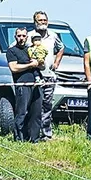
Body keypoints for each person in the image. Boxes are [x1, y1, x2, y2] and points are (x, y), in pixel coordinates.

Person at [30, 12, 64, 141]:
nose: (43, 22)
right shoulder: (29, 36)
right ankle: (33, 132)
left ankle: (46, 134)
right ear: (35, 22)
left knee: (47, 105)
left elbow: (61, 48)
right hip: (34, 75)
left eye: (45, 20)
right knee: (34, 105)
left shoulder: (53, 36)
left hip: (49, 75)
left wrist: (56, 62)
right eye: (40, 20)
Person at [6, 27, 43, 142]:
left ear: (27, 37)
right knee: (21, 113)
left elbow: (42, 66)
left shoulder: (31, 50)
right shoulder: (12, 51)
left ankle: (34, 139)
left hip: (36, 85)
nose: (21, 38)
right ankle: (19, 138)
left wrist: (39, 63)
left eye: (23, 36)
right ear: (15, 37)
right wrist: (30, 65)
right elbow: (14, 67)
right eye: (19, 36)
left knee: (36, 113)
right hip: (22, 85)